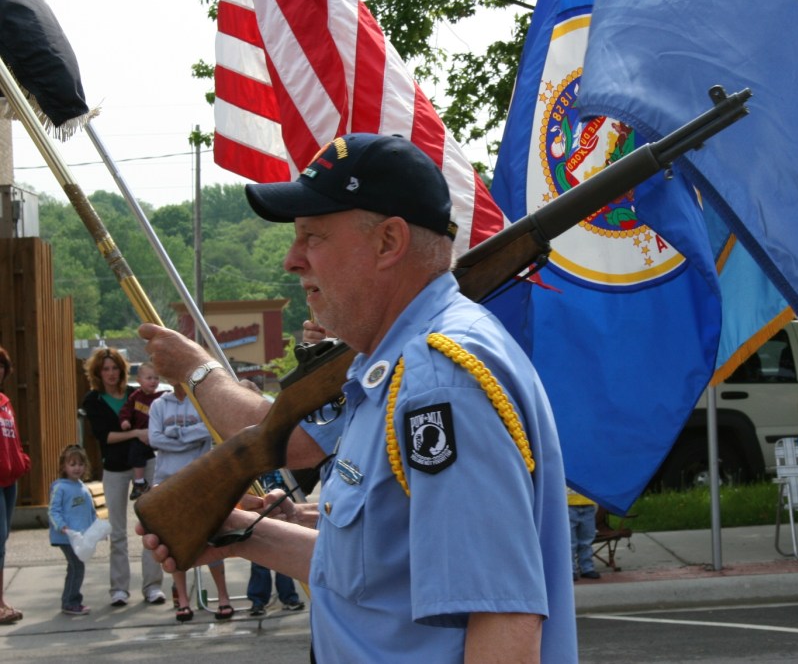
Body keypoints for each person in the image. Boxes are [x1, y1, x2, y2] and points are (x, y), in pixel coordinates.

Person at [139, 133, 577, 662]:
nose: (291, 260)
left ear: (388, 242)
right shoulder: (388, 369)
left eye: (312, 236)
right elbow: (379, 574)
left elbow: (503, 619)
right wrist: (242, 535)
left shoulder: (438, 380)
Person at [81, 347, 165, 607]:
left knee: (152, 525)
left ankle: (152, 586)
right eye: (105, 369)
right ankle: (119, 589)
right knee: (117, 531)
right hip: (115, 468)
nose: (110, 373)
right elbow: (104, 437)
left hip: (146, 462)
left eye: (114, 368)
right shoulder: (92, 400)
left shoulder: (136, 393)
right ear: (98, 372)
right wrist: (136, 434)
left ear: (122, 370)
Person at [145, 383, 234, 623]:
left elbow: (209, 429)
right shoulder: (158, 405)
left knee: (210, 537)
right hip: (167, 481)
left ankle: (223, 597)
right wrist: (187, 441)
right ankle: (183, 601)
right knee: (173, 542)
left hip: (199, 480)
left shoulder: (202, 402)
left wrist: (177, 434)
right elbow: (154, 439)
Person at [247, 469, 305, 617]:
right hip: (258, 515)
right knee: (259, 561)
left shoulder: (279, 468)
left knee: (283, 559)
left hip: (280, 513)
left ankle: (289, 597)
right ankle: (258, 601)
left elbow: (289, 486)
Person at [0, 345, 30, 624]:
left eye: (1, 365)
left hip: (10, 480)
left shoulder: (5, 402)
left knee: (3, 541)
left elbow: (12, 440)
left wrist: (20, 459)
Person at [48, 445, 97, 616]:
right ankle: (71, 601)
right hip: (66, 537)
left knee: (75, 566)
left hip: (80, 537)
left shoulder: (83, 487)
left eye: (80, 464)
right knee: (77, 566)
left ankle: (69, 600)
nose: (77, 468)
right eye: (72, 464)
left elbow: (89, 512)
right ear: (64, 466)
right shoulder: (60, 487)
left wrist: (95, 530)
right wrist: (62, 526)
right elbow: (53, 510)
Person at [118, 362, 165, 500]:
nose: (153, 381)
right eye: (149, 378)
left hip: (155, 435)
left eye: (156, 378)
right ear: (139, 380)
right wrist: (124, 421)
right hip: (140, 436)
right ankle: (139, 482)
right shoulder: (135, 396)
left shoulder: (161, 397)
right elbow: (126, 410)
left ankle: (153, 482)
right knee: (136, 453)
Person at [567, 487, 600, 581]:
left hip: (588, 504)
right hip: (568, 504)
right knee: (570, 542)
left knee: (586, 540)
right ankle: (570, 570)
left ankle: (587, 568)